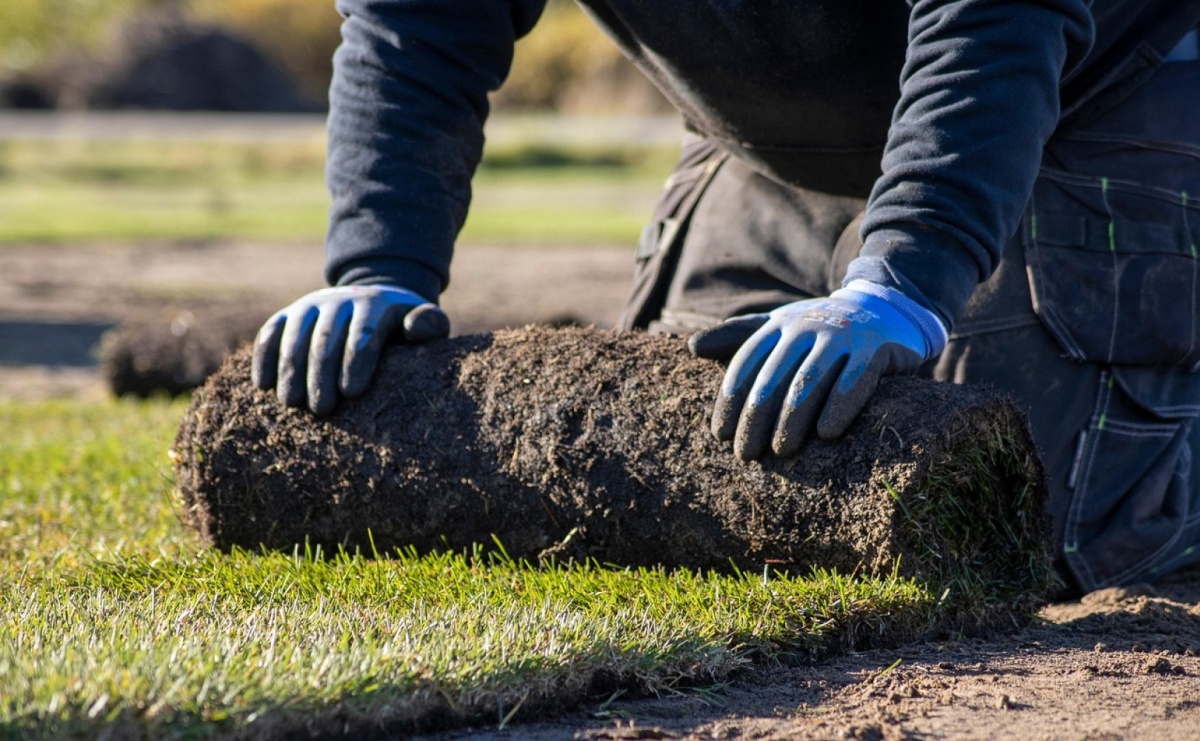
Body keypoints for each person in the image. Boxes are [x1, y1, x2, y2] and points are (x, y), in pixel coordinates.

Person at [252, 0, 1200, 595]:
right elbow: (418, 21)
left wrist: (905, 274)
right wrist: (379, 262)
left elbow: (993, 20)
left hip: (1090, 87)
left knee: (1048, 525)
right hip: (761, 137)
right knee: (674, 488)